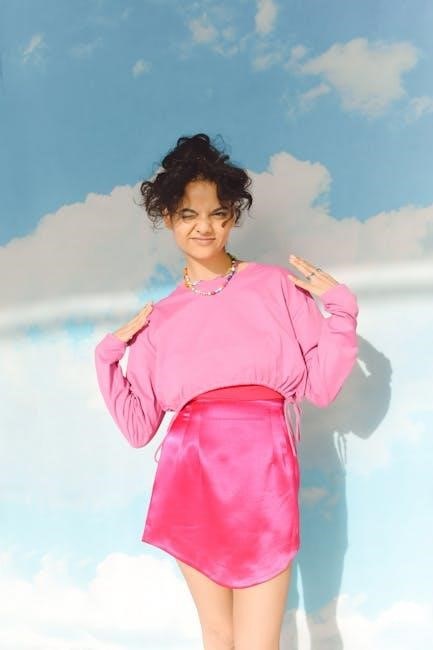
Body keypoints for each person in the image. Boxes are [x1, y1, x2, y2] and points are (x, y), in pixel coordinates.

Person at [94, 133, 359, 649]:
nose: (205, 226)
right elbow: (139, 428)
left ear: (233, 216)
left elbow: (322, 387)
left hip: (264, 472)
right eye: (188, 215)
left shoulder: (275, 286)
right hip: (190, 474)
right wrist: (106, 357)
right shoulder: (159, 318)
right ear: (168, 218)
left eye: (218, 213)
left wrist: (341, 310)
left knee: (259, 641)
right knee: (218, 636)